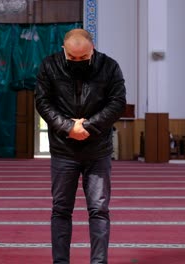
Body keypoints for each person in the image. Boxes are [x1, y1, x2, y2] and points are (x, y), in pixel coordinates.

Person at [34, 28, 126, 264]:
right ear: (63, 50)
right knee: (61, 210)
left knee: (99, 210)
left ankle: (98, 262)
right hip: (64, 151)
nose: (77, 62)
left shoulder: (110, 66)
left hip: (98, 151)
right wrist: (67, 127)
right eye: (72, 58)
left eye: (82, 58)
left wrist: (89, 127)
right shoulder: (49, 65)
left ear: (92, 49)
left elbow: (117, 103)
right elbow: (42, 102)